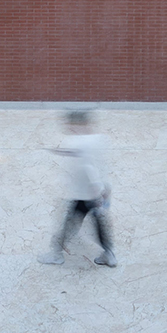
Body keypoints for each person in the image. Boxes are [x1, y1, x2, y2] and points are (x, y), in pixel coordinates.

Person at [38, 109, 116, 268]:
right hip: (98, 194)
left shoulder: (76, 142)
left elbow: (88, 166)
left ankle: (56, 254)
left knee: (69, 223)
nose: (67, 128)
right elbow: (90, 158)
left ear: (75, 124)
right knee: (99, 223)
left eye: (69, 124)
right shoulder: (99, 139)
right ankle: (109, 254)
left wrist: (96, 188)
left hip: (86, 194)